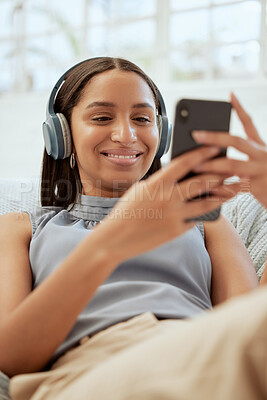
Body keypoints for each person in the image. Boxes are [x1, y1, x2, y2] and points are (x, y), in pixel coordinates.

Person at [0, 57, 266, 400]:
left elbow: (248, 323)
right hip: (94, 370)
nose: (126, 135)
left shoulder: (206, 222)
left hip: (202, 358)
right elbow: (10, 357)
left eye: (142, 119)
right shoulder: (21, 229)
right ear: (61, 134)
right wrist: (113, 239)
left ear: (162, 133)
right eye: (101, 117)